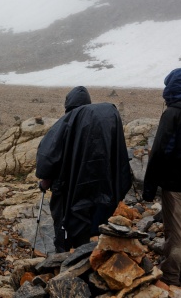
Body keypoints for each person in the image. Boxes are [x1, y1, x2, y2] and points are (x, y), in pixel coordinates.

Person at [35, 86, 132, 252]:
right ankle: (88, 255)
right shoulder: (103, 121)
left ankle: (64, 259)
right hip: (102, 187)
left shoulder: (64, 124)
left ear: (68, 104)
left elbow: (49, 157)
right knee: (90, 224)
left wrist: (44, 182)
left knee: (64, 225)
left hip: (68, 191)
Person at [143, 67, 181, 286]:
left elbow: (160, 152)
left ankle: (170, 278)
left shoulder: (173, 113)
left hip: (177, 187)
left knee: (177, 237)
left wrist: (149, 188)